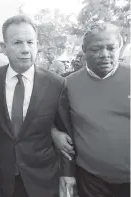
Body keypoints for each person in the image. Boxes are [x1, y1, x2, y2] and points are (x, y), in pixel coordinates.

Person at [0, 15, 75, 197]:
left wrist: (68, 173)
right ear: (4, 47)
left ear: (37, 45)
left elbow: (65, 132)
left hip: (43, 176)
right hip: (5, 173)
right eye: (17, 43)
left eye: (30, 42)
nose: (25, 49)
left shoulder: (56, 84)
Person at [52, 23, 130, 197]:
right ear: (84, 50)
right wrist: (53, 132)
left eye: (111, 48)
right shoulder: (67, 85)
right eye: (96, 49)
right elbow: (46, 115)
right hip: (91, 179)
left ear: (120, 47)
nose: (104, 55)